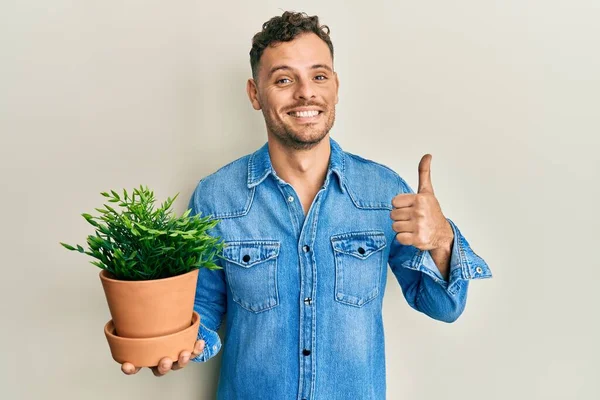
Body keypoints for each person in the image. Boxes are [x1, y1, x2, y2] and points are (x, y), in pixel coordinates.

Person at [122, 11, 492, 399]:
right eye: (284, 79)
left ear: (335, 86)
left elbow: (443, 306)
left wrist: (442, 239)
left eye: (319, 76)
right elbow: (204, 309)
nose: (305, 93)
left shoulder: (384, 192)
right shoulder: (217, 197)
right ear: (254, 94)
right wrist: (176, 347)